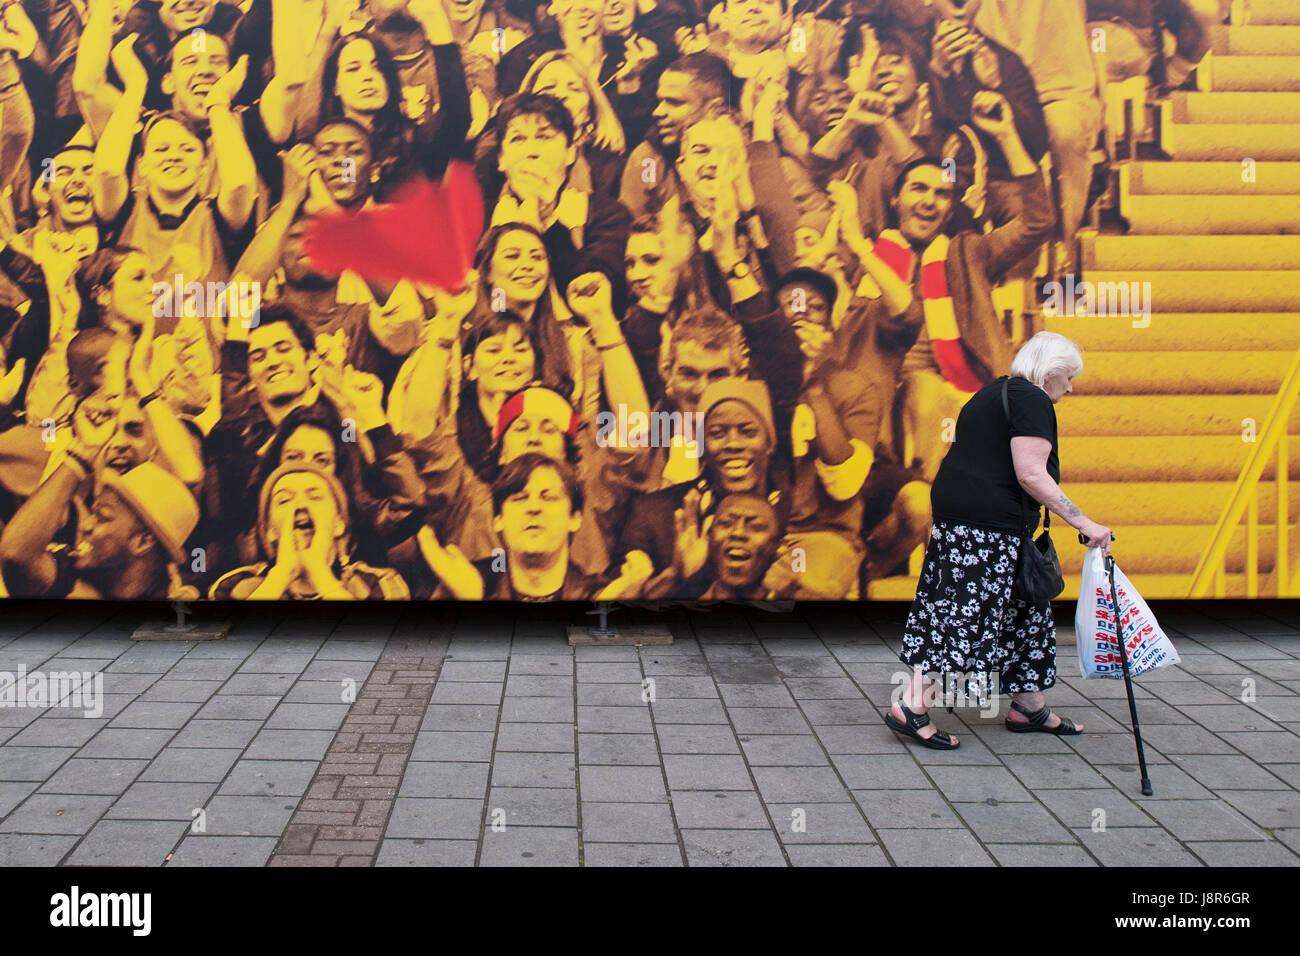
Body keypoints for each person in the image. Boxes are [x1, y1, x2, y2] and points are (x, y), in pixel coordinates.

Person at [887, 331, 1113, 749]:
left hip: (969, 519)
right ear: (1052, 373)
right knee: (964, 614)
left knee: (1023, 608)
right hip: (986, 526)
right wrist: (1085, 523)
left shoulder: (993, 392)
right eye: (1068, 378)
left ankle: (1027, 705)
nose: (1071, 387)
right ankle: (912, 706)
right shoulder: (1032, 399)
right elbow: (1030, 473)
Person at [209, 460, 411, 599]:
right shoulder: (234, 584)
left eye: (315, 497)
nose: (300, 505)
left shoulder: (381, 582)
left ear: (338, 524)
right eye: (284, 500)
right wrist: (281, 575)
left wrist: (320, 573)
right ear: (270, 530)